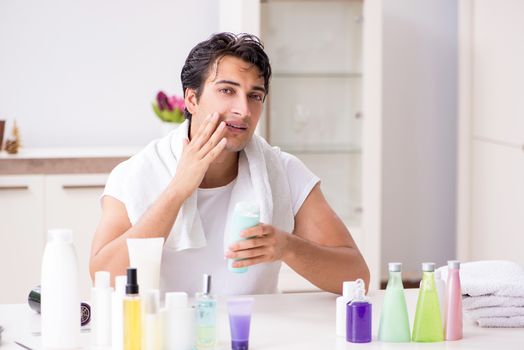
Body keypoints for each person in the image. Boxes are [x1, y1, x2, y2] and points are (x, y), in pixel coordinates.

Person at [89, 32, 369, 295]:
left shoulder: (283, 172)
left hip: (253, 331)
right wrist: (177, 190)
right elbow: (104, 278)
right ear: (191, 99)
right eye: (227, 90)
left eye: (255, 96)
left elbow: (357, 277)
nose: (244, 110)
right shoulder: (135, 174)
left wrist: (288, 247)